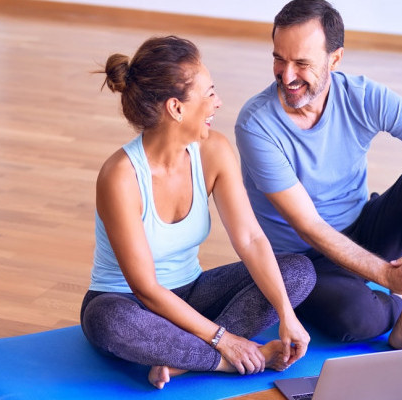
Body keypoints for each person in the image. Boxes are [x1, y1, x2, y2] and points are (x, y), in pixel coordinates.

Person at [235, 0, 402, 372]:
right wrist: (387, 275)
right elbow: (310, 227)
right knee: (356, 321)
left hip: (365, 228)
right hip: (306, 262)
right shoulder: (256, 125)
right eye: (278, 59)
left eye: (302, 63)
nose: (286, 76)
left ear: (335, 59)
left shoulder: (363, 96)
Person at [80, 35, 316, 390]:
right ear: (176, 108)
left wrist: (286, 314)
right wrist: (224, 341)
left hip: (193, 292)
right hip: (129, 303)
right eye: (208, 94)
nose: (217, 102)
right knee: (108, 322)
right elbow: (145, 289)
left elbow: (251, 239)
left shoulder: (214, 152)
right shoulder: (121, 176)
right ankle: (223, 361)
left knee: (298, 272)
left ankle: (180, 362)